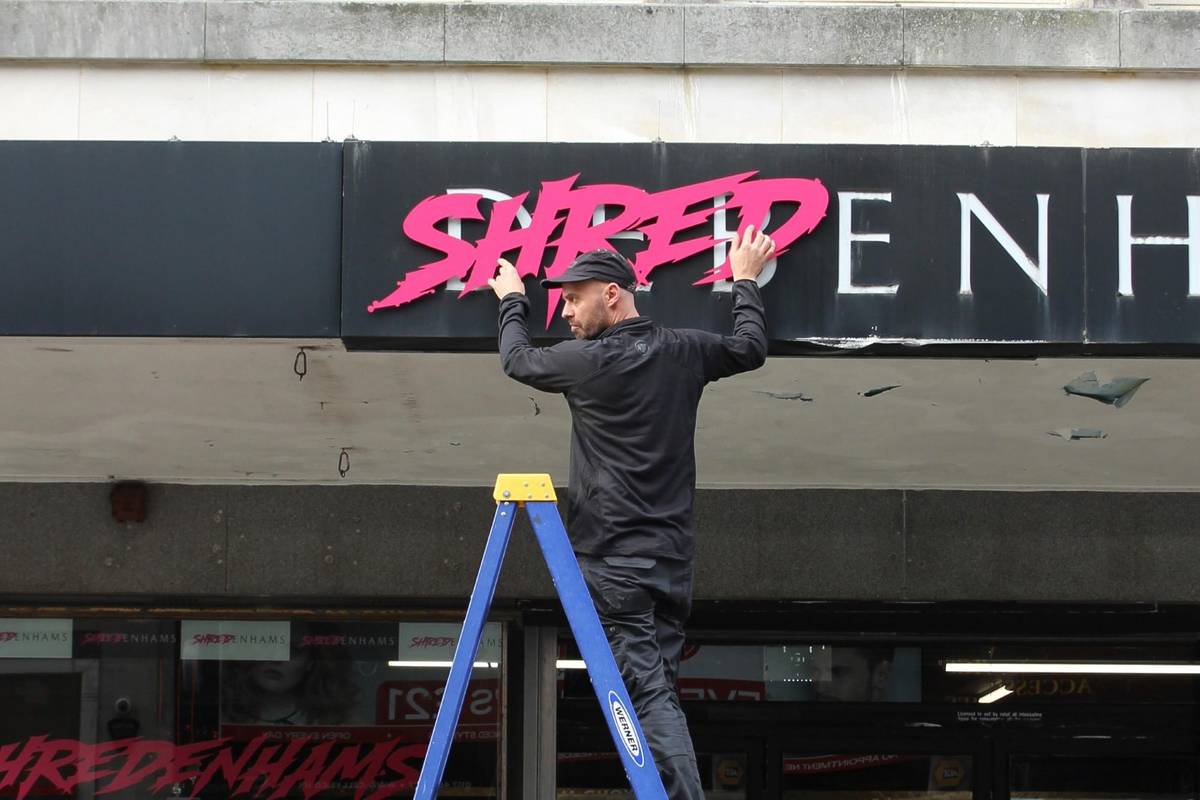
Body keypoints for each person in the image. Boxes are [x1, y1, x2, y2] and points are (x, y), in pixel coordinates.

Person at [488, 226, 775, 798]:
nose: (565, 310)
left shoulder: (587, 362)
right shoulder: (685, 349)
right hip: (671, 561)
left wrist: (513, 299)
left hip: (614, 560)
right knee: (656, 690)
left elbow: (517, 360)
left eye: (573, 297)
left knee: (643, 694)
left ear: (613, 293)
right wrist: (745, 279)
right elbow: (750, 348)